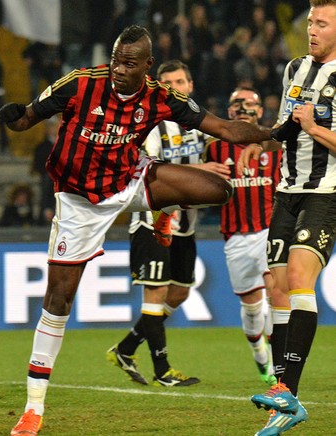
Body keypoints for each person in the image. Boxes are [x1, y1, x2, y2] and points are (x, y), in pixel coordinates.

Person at [0, 25, 283, 435]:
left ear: (147, 66)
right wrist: (15, 119)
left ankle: (162, 212)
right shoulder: (80, 84)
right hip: (79, 201)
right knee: (58, 300)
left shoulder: (161, 97)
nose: (118, 69)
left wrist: (274, 134)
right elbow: (28, 116)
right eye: (115, 59)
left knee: (217, 188)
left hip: (131, 180)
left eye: (129, 63)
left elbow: (224, 129)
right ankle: (33, 409)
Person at [238, 1, 336, 433]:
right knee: (276, 287)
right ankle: (284, 400)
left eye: (322, 23)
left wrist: (316, 129)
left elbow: (312, 128)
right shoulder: (296, 68)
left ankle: (286, 391)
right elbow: (284, 125)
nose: (311, 29)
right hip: (286, 190)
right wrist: (263, 143)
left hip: (325, 191)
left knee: (298, 275)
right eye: (311, 21)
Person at [106, 60, 231, 388]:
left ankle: (126, 348)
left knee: (178, 294)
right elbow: (154, 169)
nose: (175, 86)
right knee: (156, 293)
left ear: (190, 85)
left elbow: (214, 155)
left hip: (185, 223)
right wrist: (204, 172)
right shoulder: (153, 124)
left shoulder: (199, 125)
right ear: (158, 87)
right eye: (167, 81)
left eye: (180, 80)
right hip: (154, 219)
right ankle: (163, 371)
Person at [206, 87, 280, 387]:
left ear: (260, 111)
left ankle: (279, 367)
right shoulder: (214, 149)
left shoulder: (275, 147)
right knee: (251, 309)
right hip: (235, 237)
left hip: (267, 231)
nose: (243, 108)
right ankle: (259, 353)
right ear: (230, 111)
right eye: (236, 103)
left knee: (276, 294)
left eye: (250, 103)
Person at [31, 116, 59, 225]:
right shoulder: (42, 146)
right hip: (48, 177)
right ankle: (44, 217)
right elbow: (38, 163)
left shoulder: (64, 143)